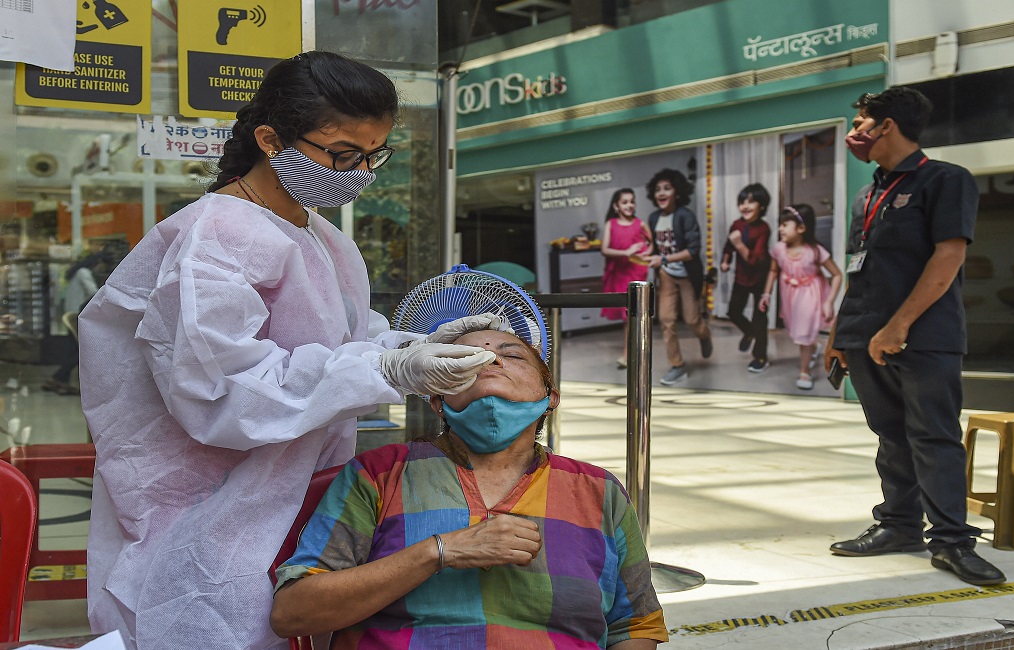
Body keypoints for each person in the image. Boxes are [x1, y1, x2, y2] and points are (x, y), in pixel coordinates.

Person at [79, 52, 503, 649]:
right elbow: (220, 392)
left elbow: (344, 341)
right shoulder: (218, 238)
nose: (359, 171)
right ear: (270, 138)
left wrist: (414, 346)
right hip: (209, 507)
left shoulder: (321, 237)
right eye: (342, 153)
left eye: (374, 154)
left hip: (291, 490)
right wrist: (387, 368)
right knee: (209, 627)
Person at [271, 328, 668, 649]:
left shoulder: (599, 491)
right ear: (438, 400)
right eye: (464, 359)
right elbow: (293, 613)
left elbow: (635, 627)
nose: (492, 360)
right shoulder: (378, 474)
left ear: (551, 398)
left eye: (512, 355)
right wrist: (440, 551)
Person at [823, 86, 1005, 586]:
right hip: (865, 336)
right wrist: (841, 332)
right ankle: (899, 525)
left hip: (923, 337)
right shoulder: (868, 194)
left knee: (934, 437)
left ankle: (951, 542)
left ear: (887, 126)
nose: (855, 131)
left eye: (862, 121)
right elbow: (860, 270)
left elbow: (947, 258)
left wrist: (898, 327)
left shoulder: (945, 180)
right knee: (891, 436)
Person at [759, 204, 842, 390]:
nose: (780, 228)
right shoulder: (779, 249)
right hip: (790, 297)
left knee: (804, 333)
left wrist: (829, 302)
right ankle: (812, 347)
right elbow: (773, 271)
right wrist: (767, 293)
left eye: (785, 225)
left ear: (801, 228)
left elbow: (837, 274)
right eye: (780, 225)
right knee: (797, 332)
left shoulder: (815, 251)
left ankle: (805, 371)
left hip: (811, 295)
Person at [644, 168, 712, 385]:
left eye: (667, 188)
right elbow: (655, 246)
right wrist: (645, 253)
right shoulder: (654, 218)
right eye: (657, 189)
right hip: (666, 276)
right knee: (666, 320)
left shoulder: (685, 216)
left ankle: (704, 334)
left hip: (687, 275)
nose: (661, 193)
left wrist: (664, 259)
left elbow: (693, 251)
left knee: (692, 319)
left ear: (677, 191)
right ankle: (677, 365)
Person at [720, 183, 773, 372]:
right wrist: (725, 261)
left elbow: (755, 260)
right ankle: (749, 332)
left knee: (760, 318)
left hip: (760, 277)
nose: (745, 206)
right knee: (733, 311)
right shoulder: (737, 224)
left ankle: (760, 356)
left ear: (762, 206)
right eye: (742, 202)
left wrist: (739, 244)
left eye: (751, 202)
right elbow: (728, 246)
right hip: (741, 277)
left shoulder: (764, 228)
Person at [599, 187, 651, 369]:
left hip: (636, 272)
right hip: (619, 272)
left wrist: (644, 256)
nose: (629, 205)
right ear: (616, 206)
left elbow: (651, 244)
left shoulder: (640, 223)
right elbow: (605, 249)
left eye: (632, 201)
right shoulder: (610, 224)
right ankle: (632, 352)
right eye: (625, 202)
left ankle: (628, 354)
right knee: (626, 315)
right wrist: (626, 252)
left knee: (631, 315)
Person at [43, 253, 104, 395]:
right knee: (83, 351)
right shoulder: (84, 273)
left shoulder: (75, 273)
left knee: (74, 350)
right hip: (80, 316)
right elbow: (94, 293)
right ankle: (58, 377)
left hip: (72, 315)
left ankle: (60, 379)